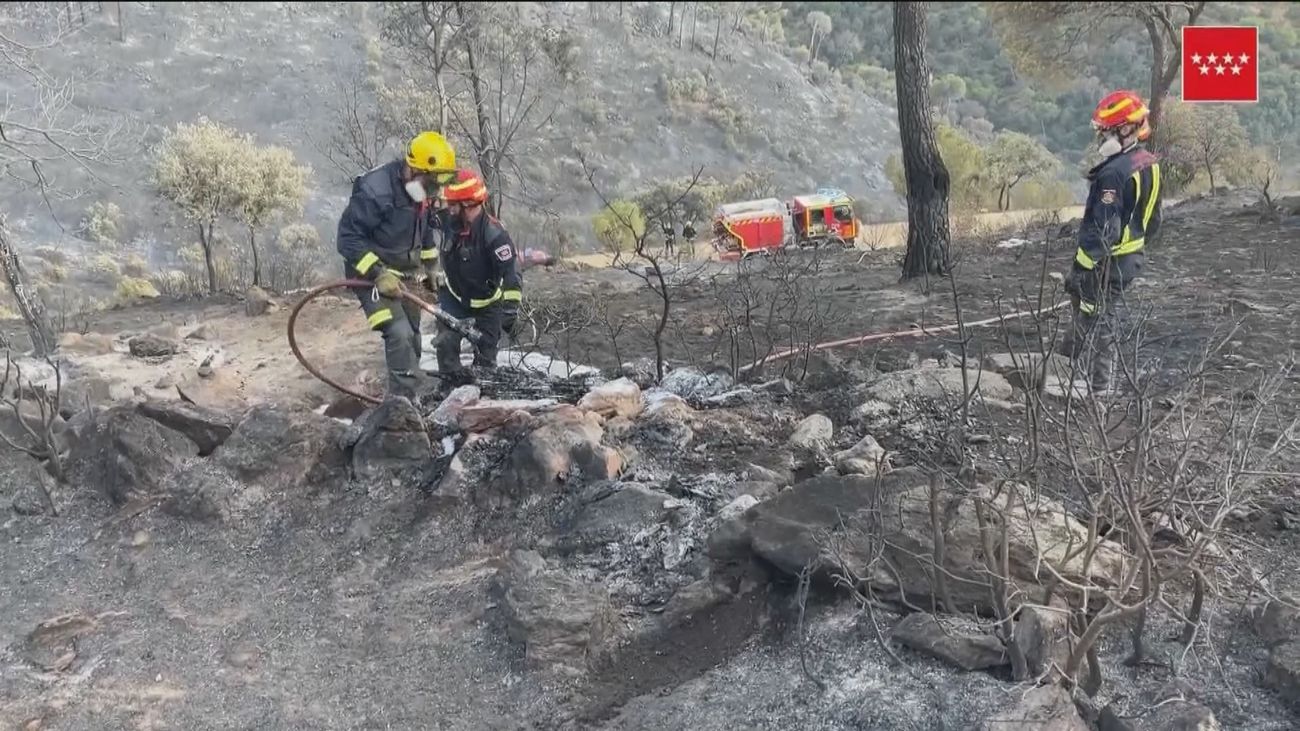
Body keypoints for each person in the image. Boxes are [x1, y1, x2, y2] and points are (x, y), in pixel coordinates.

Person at [336, 131, 458, 400]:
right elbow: (347, 239)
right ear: (414, 169)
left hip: (406, 274)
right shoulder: (375, 191)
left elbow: (424, 230)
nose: (436, 190)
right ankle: (400, 409)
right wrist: (378, 274)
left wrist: (431, 266)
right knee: (398, 332)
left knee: (414, 335)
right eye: (433, 181)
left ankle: (410, 395)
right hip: (369, 274)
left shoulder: (420, 191)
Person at [1065, 89, 1163, 396]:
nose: (1101, 137)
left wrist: (1082, 265)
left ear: (1126, 128)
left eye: (1105, 131)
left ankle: (1096, 385)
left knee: (1097, 316)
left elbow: (1104, 229)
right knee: (1092, 312)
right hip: (1132, 257)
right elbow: (1155, 219)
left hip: (1107, 263)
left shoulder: (1113, 175)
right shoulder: (1147, 162)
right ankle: (1062, 364)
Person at [431, 169, 523, 387]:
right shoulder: (447, 221)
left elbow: (511, 273)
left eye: (454, 205)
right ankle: (448, 391)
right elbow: (421, 216)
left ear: (468, 205)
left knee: (486, 363)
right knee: (446, 346)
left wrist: (509, 310)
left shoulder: (494, 235)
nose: (449, 209)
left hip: (488, 306)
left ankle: (480, 398)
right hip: (453, 299)